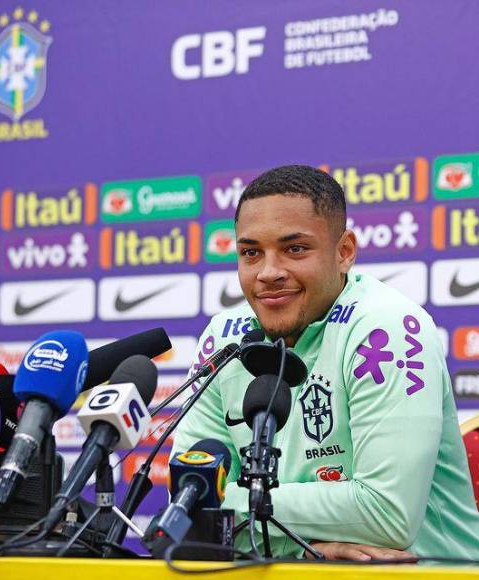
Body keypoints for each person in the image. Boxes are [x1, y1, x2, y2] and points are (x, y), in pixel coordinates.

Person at [171, 165, 479, 560]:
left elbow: (387, 515)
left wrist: (234, 508)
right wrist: (305, 548)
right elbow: (189, 504)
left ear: (344, 252)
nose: (268, 272)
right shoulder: (224, 339)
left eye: (294, 249)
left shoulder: (385, 328)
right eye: (251, 252)